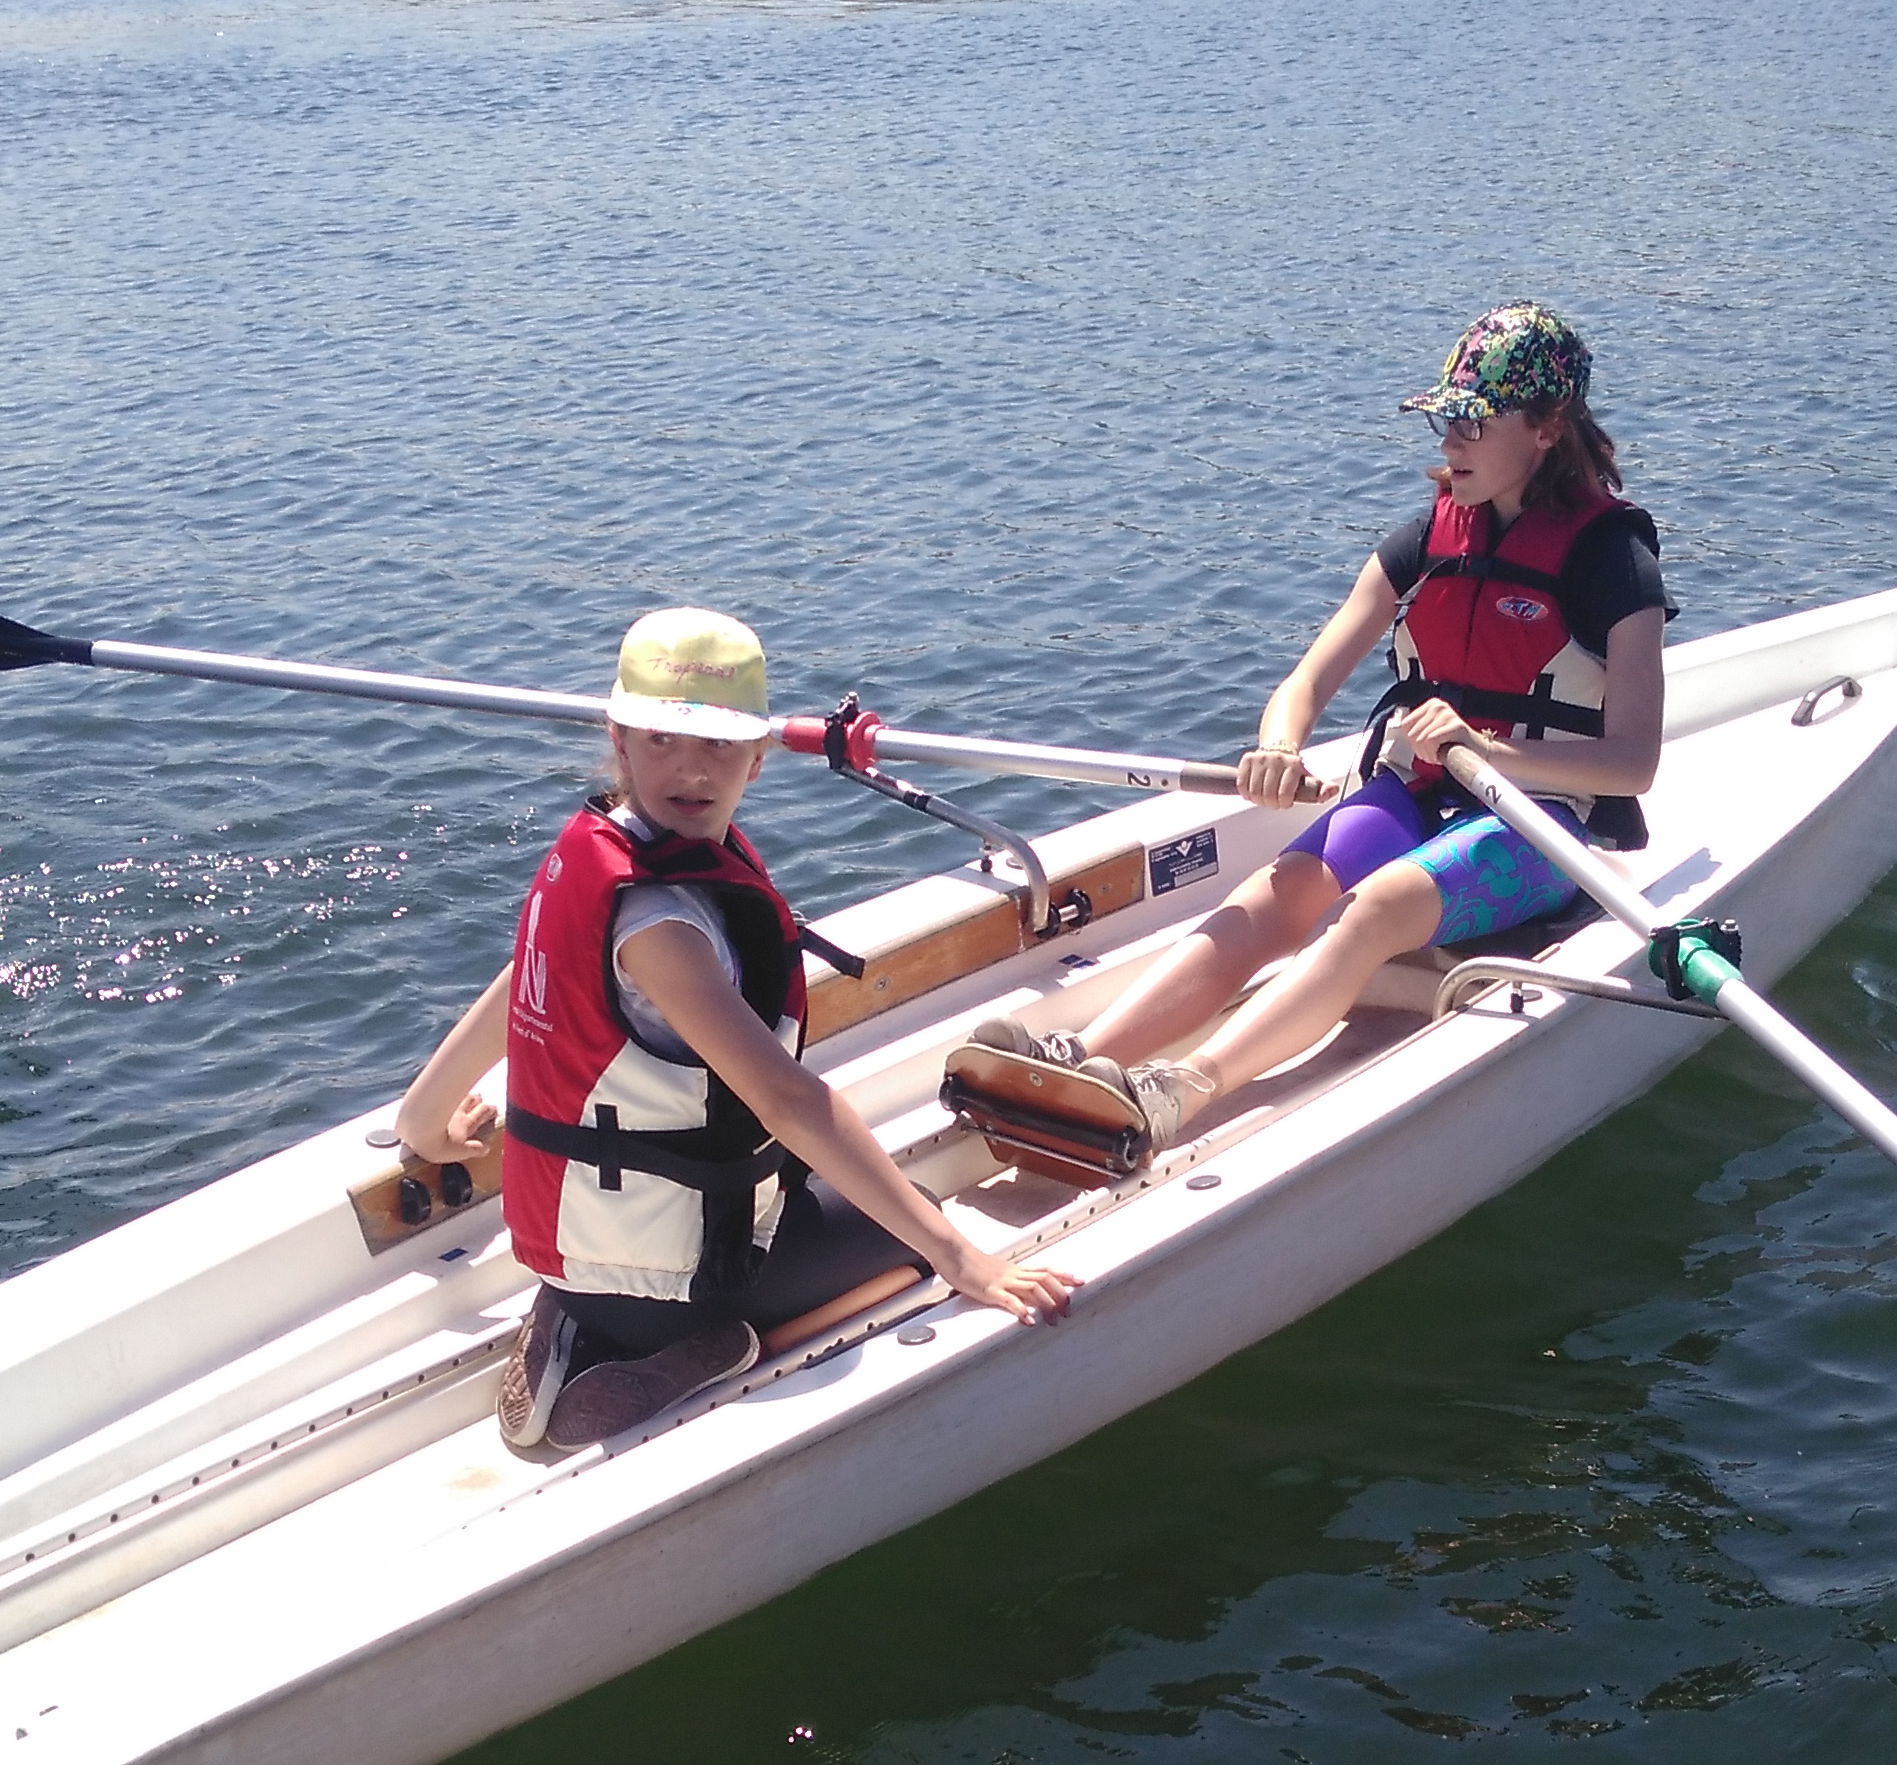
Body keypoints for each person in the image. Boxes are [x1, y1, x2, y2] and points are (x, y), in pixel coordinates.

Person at [975, 303, 1667, 1150]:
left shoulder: (1614, 561)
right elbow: (1306, 680)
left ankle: (1180, 1092)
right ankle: (1080, 1057)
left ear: (1548, 428)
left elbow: (1634, 764)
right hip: (1424, 792)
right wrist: (1278, 744)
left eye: (1473, 422)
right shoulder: (1427, 538)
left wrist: (1488, 752)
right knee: (1281, 890)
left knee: (1372, 908)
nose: (1451, 441)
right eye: (1445, 419)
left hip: (1540, 821)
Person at [399, 606, 1078, 1452]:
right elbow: (789, 1102)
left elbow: (522, 980)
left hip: (571, 1251)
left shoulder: (604, 850)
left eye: (719, 745)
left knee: (823, 1192)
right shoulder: (663, 927)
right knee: (913, 1239)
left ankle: (578, 1318)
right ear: (619, 741)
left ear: (757, 757)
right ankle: (697, 1357)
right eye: (661, 740)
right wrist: (963, 1259)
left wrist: (422, 1120)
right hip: (670, 1285)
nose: (691, 768)